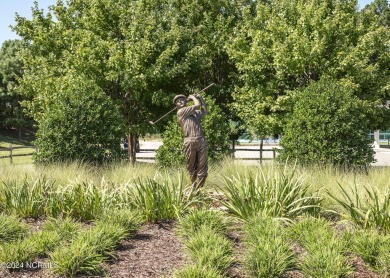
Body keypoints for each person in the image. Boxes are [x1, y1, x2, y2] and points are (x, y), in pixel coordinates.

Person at [173, 93, 208, 189]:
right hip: (189, 141)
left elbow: (204, 111)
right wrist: (193, 97)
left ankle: (200, 189)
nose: (179, 101)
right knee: (191, 166)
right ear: (176, 105)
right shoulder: (181, 111)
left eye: (182, 99)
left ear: (186, 101)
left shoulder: (194, 114)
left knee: (202, 166)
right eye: (177, 101)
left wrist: (200, 98)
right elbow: (196, 106)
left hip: (201, 139)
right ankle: (193, 186)